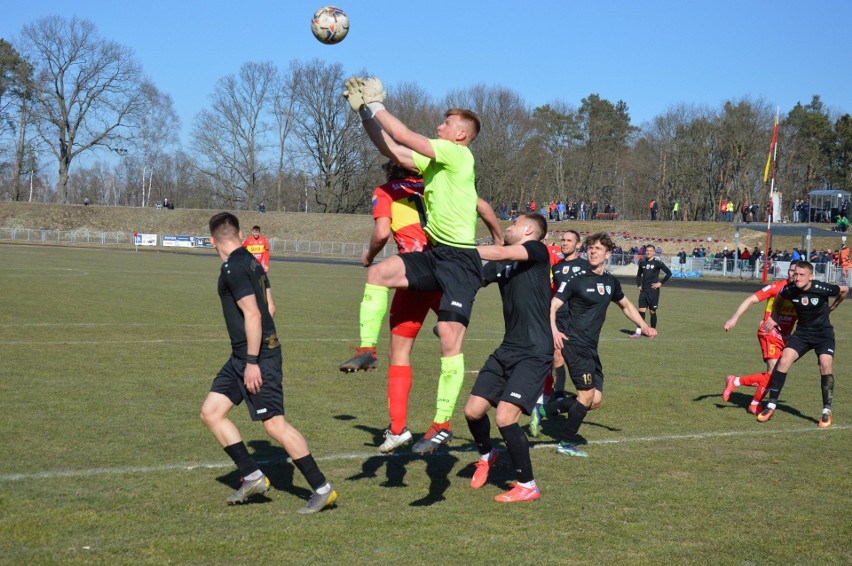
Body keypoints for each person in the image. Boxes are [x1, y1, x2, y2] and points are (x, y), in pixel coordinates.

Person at [339, 76, 502, 453]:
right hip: (433, 256)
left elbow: (405, 135)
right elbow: (394, 150)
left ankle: (441, 423)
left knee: (449, 338)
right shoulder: (437, 165)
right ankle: (368, 350)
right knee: (379, 272)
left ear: (460, 135)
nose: (439, 127)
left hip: (460, 261)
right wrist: (365, 113)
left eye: (445, 124)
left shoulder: (457, 154)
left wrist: (377, 103)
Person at [200, 212, 337, 513]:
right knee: (211, 412)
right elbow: (271, 307)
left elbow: (254, 314)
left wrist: (253, 360)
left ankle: (322, 488)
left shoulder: (233, 268)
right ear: (238, 234)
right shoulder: (253, 261)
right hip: (243, 355)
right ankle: (252, 476)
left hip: (255, 358)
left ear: (212, 240)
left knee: (275, 426)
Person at [536, 232, 656, 457]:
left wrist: (644, 326)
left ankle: (543, 409)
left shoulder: (610, 282)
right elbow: (552, 306)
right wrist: (554, 331)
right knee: (586, 396)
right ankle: (565, 443)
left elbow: (626, 306)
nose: (592, 251)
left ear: (608, 254)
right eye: (590, 248)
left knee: (595, 400)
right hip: (575, 345)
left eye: (598, 249)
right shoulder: (577, 279)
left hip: (591, 348)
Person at [463, 213, 552, 502]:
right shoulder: (501, 264)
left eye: (513, 224)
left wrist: (460, 248)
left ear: (528, 229)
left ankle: (528, 485)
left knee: (504, 417)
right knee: (473, 411)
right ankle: (488, 455)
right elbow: (472, 278)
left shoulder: (537, 250)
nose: (508, 227)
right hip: (508, 348)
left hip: (534, 352)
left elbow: (500, 249)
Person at [758, 261, 848, 426]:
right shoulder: (790, 289)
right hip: (802, 334)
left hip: (823, 334)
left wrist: (833, 307)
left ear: (811, 277)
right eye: (795, 274)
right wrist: (774, 315)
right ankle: (770, 406)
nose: (797, 277)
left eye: (801, 275)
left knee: (825, 364)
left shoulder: (822, 288)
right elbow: (779, 297)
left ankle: (826, 410)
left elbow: (844, 290)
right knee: (783, 361)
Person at [528, 229, 592, 437]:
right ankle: (555, 395)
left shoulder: (586, 267)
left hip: (579, 322)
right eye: (563, 240)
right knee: (556, 356)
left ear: (578, 244)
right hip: (560, 319)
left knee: (576, 362)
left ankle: (571, 395)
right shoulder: (558, 266)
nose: (564, 243)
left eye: (569, 240)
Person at [723, 264, 798, 414]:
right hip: (768, 332)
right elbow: (750, 299)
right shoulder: (777, 287)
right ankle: (754, 405)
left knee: (774, 375)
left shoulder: (804, 293)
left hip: (786, 337)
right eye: (791, 271)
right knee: (774, 372)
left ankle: (736, 381)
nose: (794, 275)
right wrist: (734, 319)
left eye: (798, 273)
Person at [630, 244, 672, 338]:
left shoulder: (658, 262)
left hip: (653, 291)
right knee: (641, 311)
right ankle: (638, 332)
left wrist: (660, 283)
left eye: (650, 251)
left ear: (653, 252)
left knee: (652, 311)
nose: (648, 252)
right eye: (647, 251)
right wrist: (639, 285)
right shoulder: (642, 262)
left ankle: (652, 331)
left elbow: (669, 273)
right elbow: (638, 276)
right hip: (644, 291)